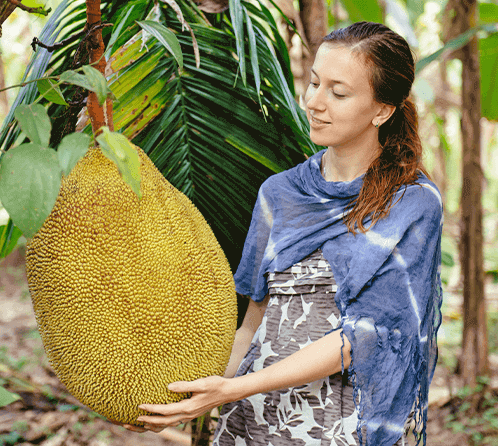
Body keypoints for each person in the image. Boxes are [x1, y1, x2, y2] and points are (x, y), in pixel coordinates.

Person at [133, 21, 443, 446]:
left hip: (344, 426)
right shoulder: (279, 193)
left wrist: (234, 388)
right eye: (314, 83)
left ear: (382, 110)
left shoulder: (413, 204)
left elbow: (362, 338)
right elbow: (252, 327)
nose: (314, 102)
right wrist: (172, 396)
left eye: (338, 92)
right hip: (255, 420)